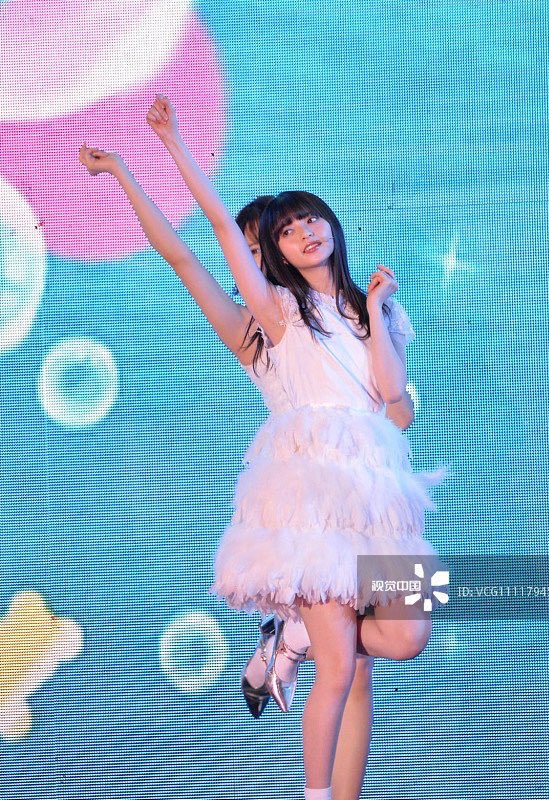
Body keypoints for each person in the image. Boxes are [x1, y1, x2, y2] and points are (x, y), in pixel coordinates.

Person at [78, 109, 421, 799]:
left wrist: (382, 352)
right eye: (267, 238)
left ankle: (289, 639)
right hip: (309, 498)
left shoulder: (365, 310)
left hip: (376, 493)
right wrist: (136, 164)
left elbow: (399, 404)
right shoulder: (262, 325)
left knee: (391, 646)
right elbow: (186, 252)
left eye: (294, 227)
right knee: (342, 670)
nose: (280, 244)